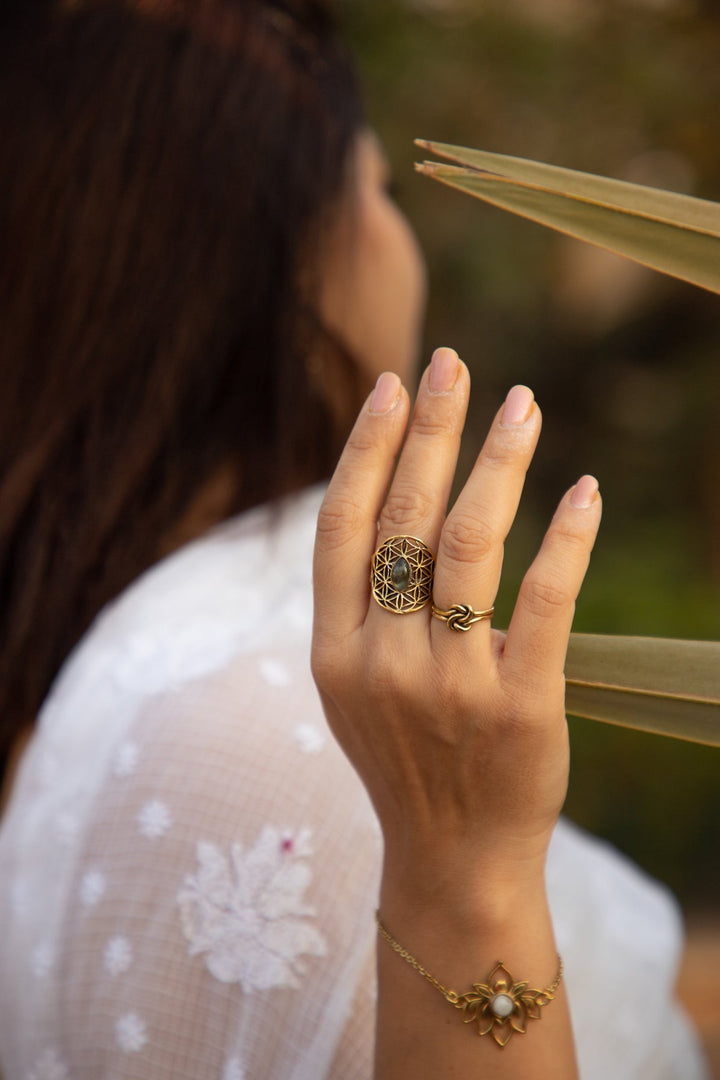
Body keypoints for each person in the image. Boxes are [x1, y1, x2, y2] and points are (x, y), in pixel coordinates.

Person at [0, 1, 709, 1077]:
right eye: (377, 187)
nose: (399, 236)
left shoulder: (103, 665)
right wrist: (465, 875)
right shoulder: (316, 739)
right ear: (283, 270)